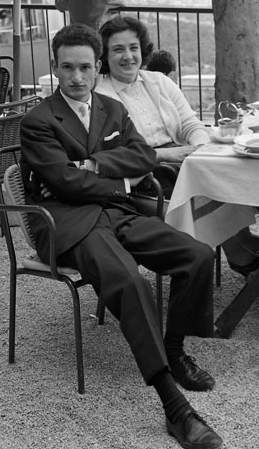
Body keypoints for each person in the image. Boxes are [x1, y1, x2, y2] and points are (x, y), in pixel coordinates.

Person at [20, 24, 223, 449]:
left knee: (198, 255)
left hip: (115, 212)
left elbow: (143, 154)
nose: (77, 77)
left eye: (85, 67)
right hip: (66, 222)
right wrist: (121, 182)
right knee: (130, 281)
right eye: (67, 68)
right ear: (55, 68)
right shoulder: (38, 121)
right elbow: (64, 183)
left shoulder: (111, 108)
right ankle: (175, 407)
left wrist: (94, 165)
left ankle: (173, 349)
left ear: (97, 67)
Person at [95, 16, 259, 278]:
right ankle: (242, 255)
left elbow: (191, 124)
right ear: (105, 55)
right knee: (208, 187)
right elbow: (117, 155)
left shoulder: (159, 81)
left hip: (181, 159)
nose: (128, 56)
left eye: (133, 48)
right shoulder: (101, 97)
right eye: (118, 49)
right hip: (145, 174)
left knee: (226, 174)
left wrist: (201, 148)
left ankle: (246, 240)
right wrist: (169, 154)